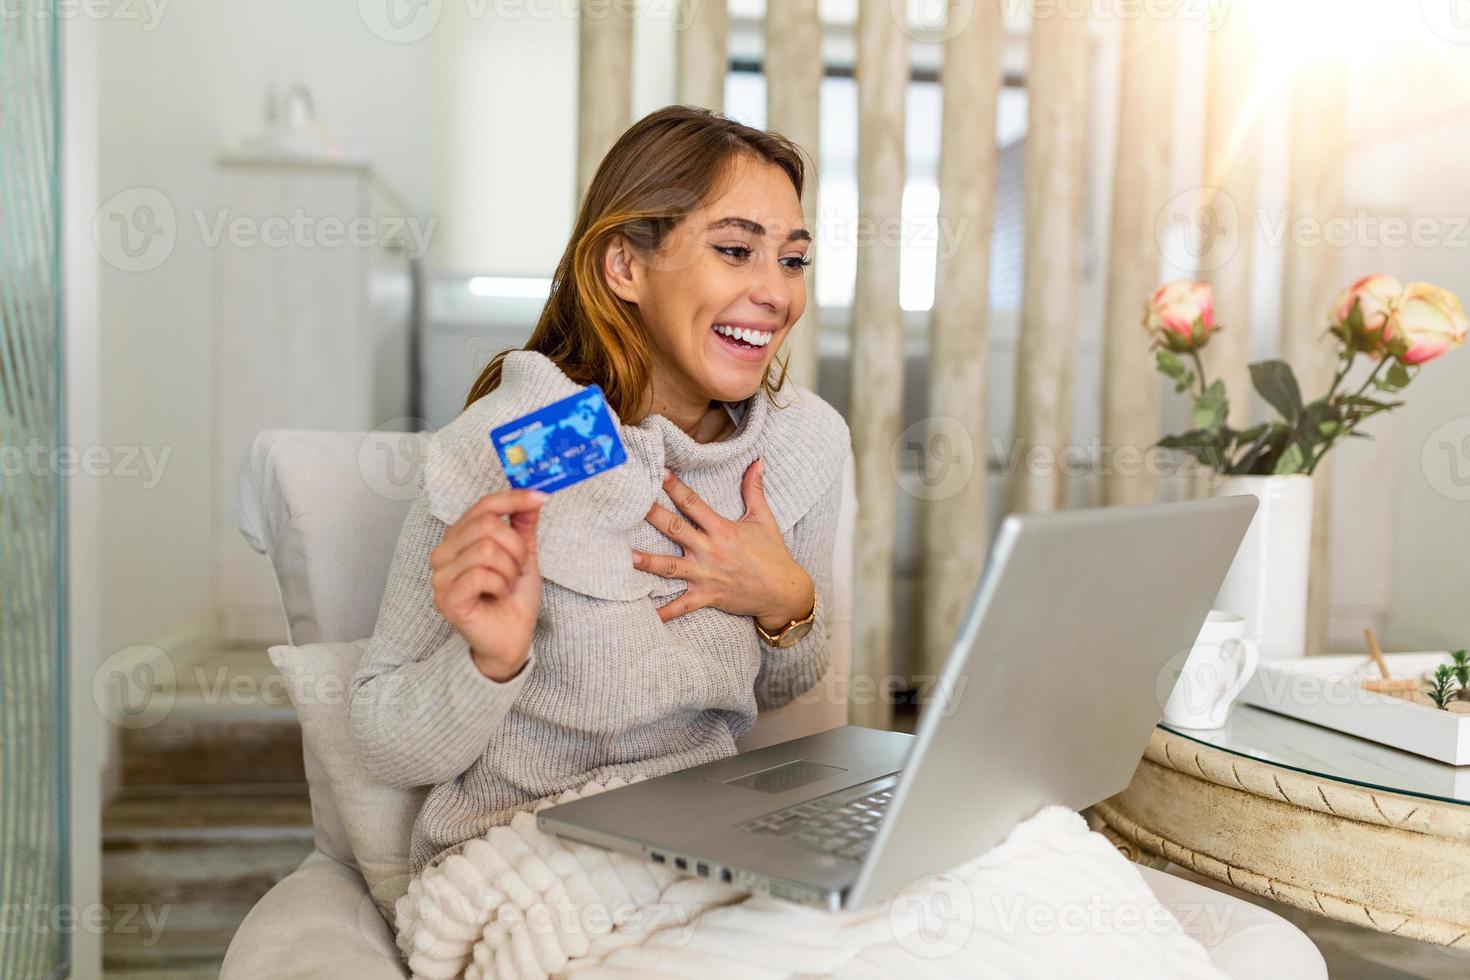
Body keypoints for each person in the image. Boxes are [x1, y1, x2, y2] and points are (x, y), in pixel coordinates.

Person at [349, 105, 852, 875]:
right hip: (522, 852)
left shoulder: (800, 443)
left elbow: (786, 684)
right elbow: (383, 739)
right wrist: (488, 663)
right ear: (624, 267)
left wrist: (786, 602)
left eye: (791, 260)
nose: (777, 293)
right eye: (734, 249)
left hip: (706, 836)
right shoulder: (527, 437)